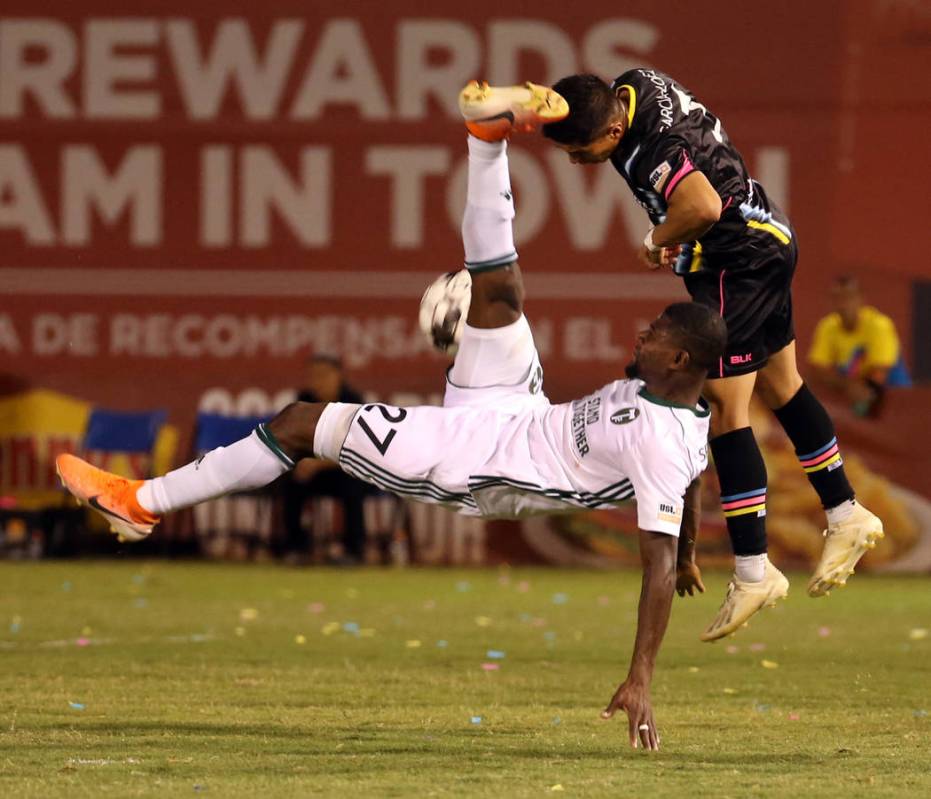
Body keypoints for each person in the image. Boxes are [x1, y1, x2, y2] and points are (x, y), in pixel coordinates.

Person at [56, 84, 724, 751]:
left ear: (682, 356)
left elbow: (654, 562)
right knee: (498, 288)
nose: (641, 339)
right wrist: (695, 548)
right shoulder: (683, 415)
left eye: (655, 336)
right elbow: (687, 482)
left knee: (299, 421)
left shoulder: (658, 439)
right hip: (516, 407)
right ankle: (485, 140)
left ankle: (142, 502)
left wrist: (640, 674)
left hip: (478, 465)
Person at [535, 70, 884, 640]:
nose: (578, 162)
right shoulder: (635, 82)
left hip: (735, 264)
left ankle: (753, 569)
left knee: (725, 409)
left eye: (582, 150)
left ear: (615, 126)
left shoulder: (654, 150)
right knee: (783, 385)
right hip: (768, 238)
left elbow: (699, 204)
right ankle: (845, 512)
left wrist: (655, 241)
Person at [281, 354, 369, 564]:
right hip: (311, 471)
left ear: (337, 376)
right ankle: (296, 548)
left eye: (322, 375)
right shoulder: (304, 400)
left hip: (343, 469)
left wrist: (319, 464)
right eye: (312, 376)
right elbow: (292, 439)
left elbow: (360, 449)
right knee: (290, 482)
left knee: (353, 486)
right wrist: (300, 461)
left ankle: (353, 550)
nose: (316, 381)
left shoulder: (353, 402)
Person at [808, 276, 911, 417]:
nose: (843, 305)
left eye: (848, 298)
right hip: (854, 397)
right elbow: (817, 369)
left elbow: (879, 374)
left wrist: (845, 384)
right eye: (837, 298)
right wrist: (848, 385)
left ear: (860, 299)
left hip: (894, 399)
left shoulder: (879, 325)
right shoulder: (827, 326)